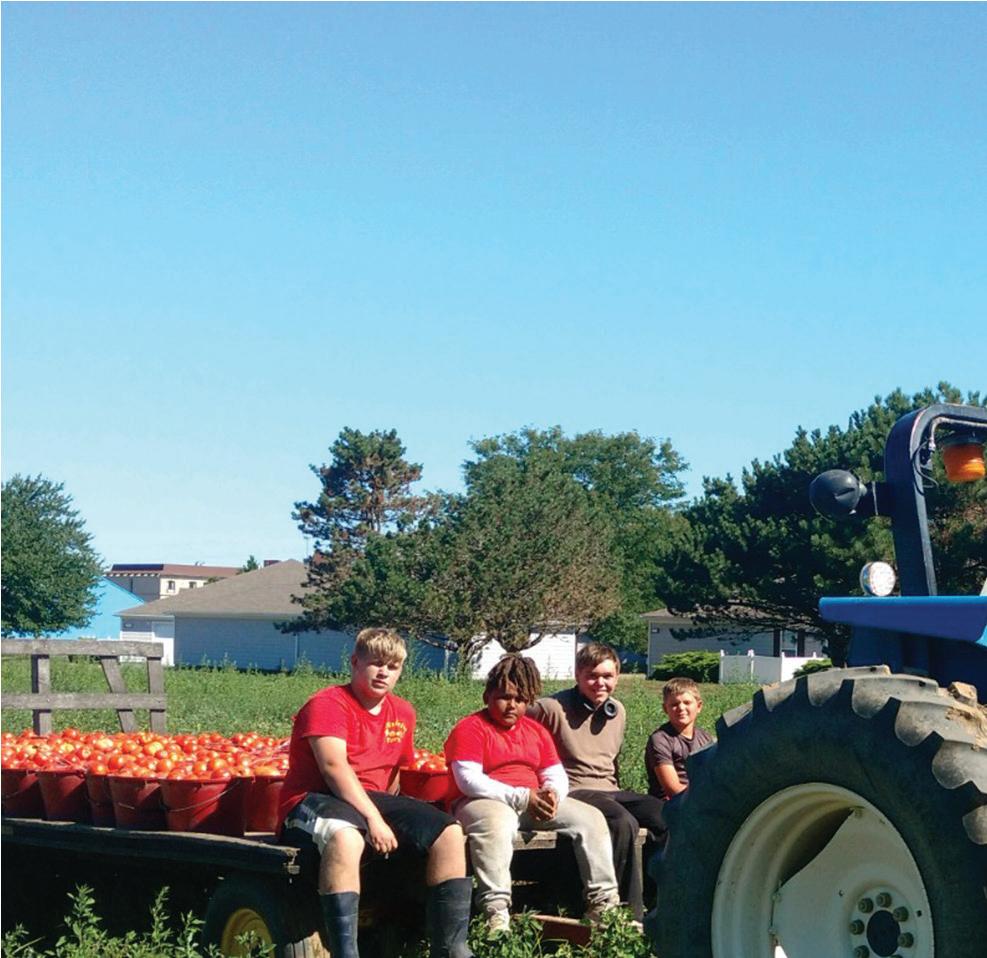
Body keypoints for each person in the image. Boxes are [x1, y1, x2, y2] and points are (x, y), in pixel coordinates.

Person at [278, 627, 473, 958]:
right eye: (376, 663)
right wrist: (374, 820)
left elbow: (395, 773)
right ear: (355, 662)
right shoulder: (328, 704)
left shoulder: (403, 712)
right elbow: (333, 768)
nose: (384, 672)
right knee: (346, 837)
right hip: (315, 798)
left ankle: (451, 948)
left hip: (371, 799)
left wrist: (406, 820)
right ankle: (346, 952)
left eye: (393, 666)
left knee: (450, 833)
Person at [444, 653, 621, 935]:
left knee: (591, 818)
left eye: (520, 699)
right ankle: (495, 913)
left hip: (532, 800)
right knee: (497, 823)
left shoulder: (535, 731)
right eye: (504, 697)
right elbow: (469, 780)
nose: (512, 705)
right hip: (481, 801)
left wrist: (552, 794)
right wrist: (523, 797)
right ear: (487, 696)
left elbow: (554, 772)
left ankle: (603, 906)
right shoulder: (471, 728)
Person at [528, 643, 666, 921]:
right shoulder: (551, 708)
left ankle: (659, 900)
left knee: (663, 813)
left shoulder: (618, 711)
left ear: (617, 677)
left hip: (609, 789)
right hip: (573, 789)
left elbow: (611, 763)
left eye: (607, 676)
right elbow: (515, 723)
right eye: (592, 676)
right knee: (622, 821)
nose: (600, 683)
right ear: (577, 675)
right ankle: (625, 913)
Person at [645, 676, 713, 801]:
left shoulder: (705, 738)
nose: (681, 708)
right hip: (670, 804)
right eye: (674, 704)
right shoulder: (660, 739)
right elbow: (673, 789)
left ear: (699, 706)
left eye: (687, 703)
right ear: (665, 709)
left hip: (703, 800)